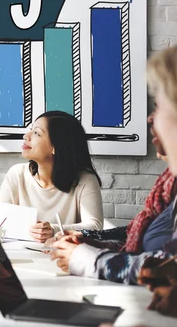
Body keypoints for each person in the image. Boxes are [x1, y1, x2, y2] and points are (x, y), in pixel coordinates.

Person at [52, 45, 177, 292]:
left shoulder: (85, 179)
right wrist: (90, 243)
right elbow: (142, 240)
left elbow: (167, 266)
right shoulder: (169, 186)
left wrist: (85, 257)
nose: (151, 118)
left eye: (159, 106)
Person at [0, 110, 103, 242]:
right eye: (30, 130)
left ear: (55, 147)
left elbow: (95, 227)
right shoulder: (17, 174)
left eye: (36, 133)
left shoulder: (85, 180)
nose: (26, 136)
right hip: (21, 258)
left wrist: (53, 230)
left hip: (61, 259)